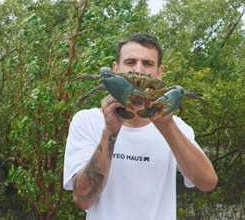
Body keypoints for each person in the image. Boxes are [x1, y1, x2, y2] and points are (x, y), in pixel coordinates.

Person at [63, 33, 218, 220]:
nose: (139, 71)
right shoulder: (87, 121)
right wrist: (109, 131)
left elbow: (207, 183)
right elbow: (83, 199)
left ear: (159, 73)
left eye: (147, 64)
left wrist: (167, 125)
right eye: (130, 62)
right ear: (115, 69)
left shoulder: (177, 127)